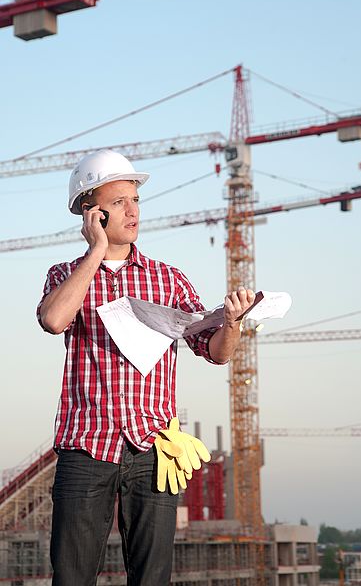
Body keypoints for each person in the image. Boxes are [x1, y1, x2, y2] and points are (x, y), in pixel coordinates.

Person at [36, 149, 255, 585]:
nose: (132, 211)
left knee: (153, 578)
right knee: (72, 576)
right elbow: (53, 320)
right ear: (90, 211)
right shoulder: (65, 274)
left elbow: (215, 352)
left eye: (135, 200)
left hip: (154, 451)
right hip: (86, 446)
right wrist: (96, 250)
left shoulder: (168, 279)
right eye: (118, 202)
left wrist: (231, 325)